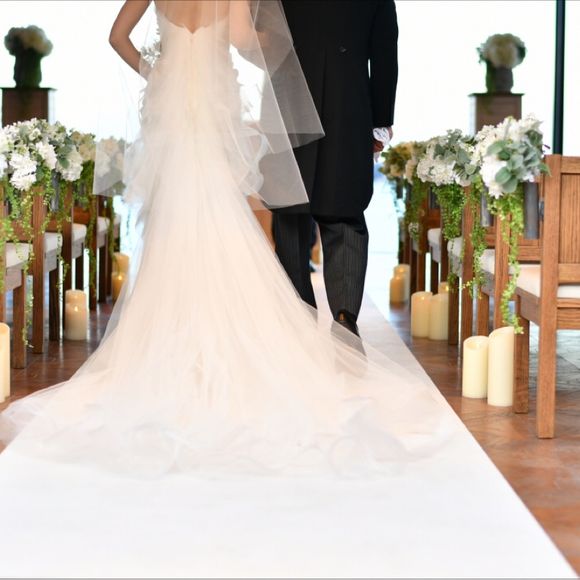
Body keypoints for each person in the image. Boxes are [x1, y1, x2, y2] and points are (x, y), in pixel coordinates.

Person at [0, 0, 444, 478]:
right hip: (239, 108)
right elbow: (252, 41)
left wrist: (159, 72)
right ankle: (322, 322)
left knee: (190, 217)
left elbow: (117, 38)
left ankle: (213, 324)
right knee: (265, 214)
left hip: (176, 110)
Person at [274, 0, 398, 337]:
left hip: (288, 97)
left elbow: (258, 36)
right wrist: (380, 122)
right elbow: (384, 54)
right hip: (348, 101)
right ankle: (344, 316)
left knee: (291, 211)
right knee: (343, 210)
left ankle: (298, 315)